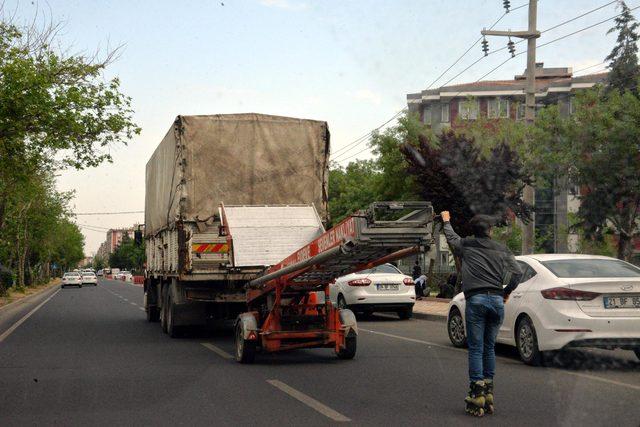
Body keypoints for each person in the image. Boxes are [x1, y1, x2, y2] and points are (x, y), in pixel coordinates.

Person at [441, 211, 522, 417]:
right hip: (496, 301)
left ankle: (477, 392)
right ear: (490, 231)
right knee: (489, 348)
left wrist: (446, 220)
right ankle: (489, 390)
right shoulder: (501, 248)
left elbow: (451, 238)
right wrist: (506, 292)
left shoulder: (467, 245)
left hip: (476, 300)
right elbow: (518, 272)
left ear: (474, 231)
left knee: (476, 348)